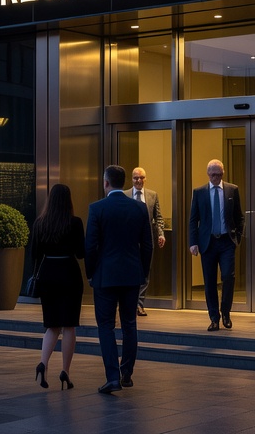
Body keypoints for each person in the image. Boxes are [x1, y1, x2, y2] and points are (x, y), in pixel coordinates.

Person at [86, 165, 152, 394]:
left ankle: (112, 376)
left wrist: (91, 272)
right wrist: (143, 272)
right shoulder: (139, 208)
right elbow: (147, 245)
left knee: (105, 326)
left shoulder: (96, 209)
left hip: (105, 276)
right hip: (132, 275)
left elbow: (91, 246)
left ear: (106, 183)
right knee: (129, 325)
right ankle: (127, 373)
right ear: (124, 182)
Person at [30, 183, 84, 390]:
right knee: (69, 325)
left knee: (52, 324)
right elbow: (80, 253)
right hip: (69, 273)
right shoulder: (75, 222)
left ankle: (43, 364)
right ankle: (65, 372)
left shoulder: (40, 223)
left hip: (48, 274)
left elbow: (34, 254)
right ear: (68, 200)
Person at [188, 158, 244, 331]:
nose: (215, 178)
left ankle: (225, 312)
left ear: (223, 173)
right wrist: (193, 242)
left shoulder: (232, 190)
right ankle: (214, 317)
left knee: (228, 276)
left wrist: (238, 237)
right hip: (208, 243)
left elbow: (239, 216)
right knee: (209, 281)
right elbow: (193, 219)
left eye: (218, 175)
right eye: (212, 175)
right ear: (208, 174)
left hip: (227, 241)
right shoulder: (199, 192)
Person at [130, 167, 165, 316]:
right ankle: (130, 303)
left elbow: (158, 217)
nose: (138, 181)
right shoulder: (125, 195)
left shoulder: (152, 195)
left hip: (147, 240)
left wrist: (161, 234)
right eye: (136, 178)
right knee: (130, 271)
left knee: (145, 272)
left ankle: (139, 304)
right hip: (129, 241)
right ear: (132, 179)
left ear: (145, 178)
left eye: (141, 178)